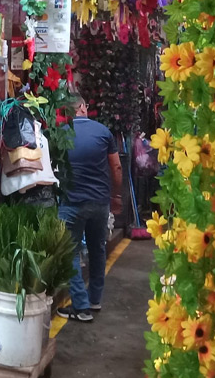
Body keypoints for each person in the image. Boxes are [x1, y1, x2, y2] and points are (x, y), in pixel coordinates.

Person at [57, 94, 122, 322]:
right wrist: (115, 196)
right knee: (97, 250)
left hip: (72, 203)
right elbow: (116, 167)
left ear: (68, 112)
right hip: (99, 202)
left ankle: (81, 306)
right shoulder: (104, 132)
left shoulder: (62, 134)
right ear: (83, 107)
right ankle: (95, 300)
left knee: (70, 251)